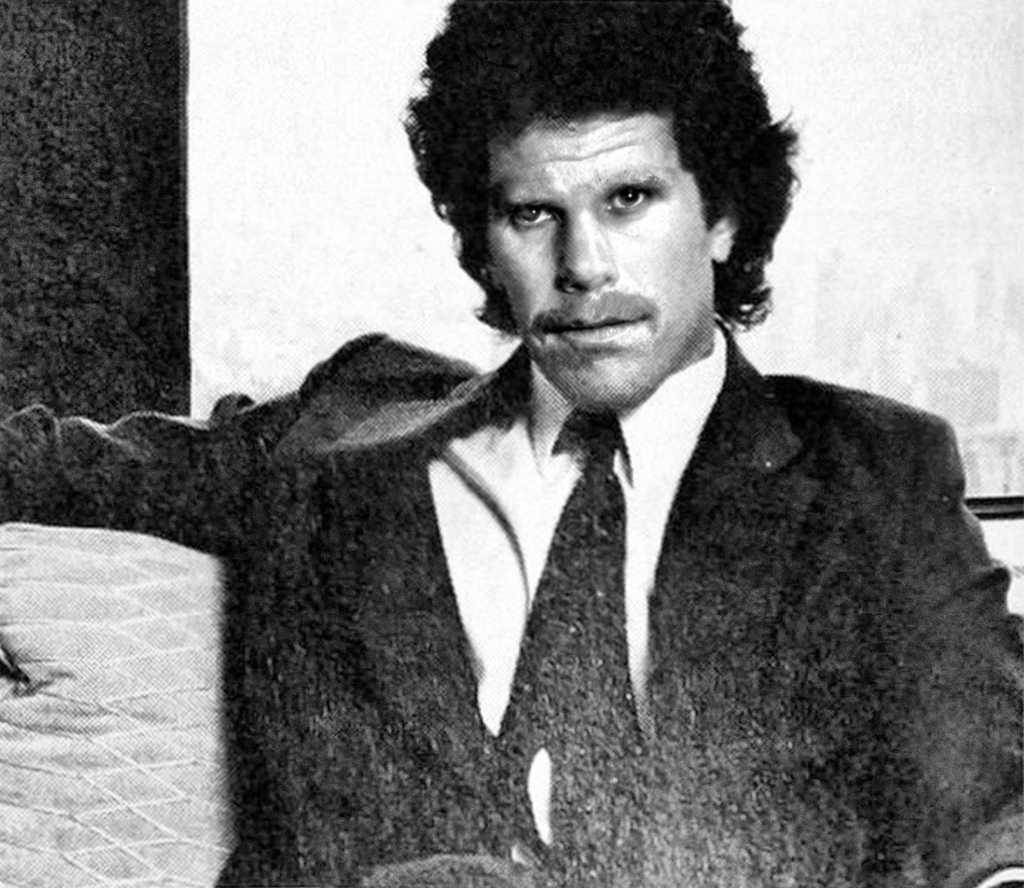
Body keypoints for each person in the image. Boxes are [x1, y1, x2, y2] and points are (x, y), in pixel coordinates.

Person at [1, 2, 1020, 887]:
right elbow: (50, 461)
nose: (583, 265)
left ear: (721, 216)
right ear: (482, 240)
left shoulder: (872, 470)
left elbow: (990, 796)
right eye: (532, 213)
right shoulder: (347, 429)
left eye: (629, 200)